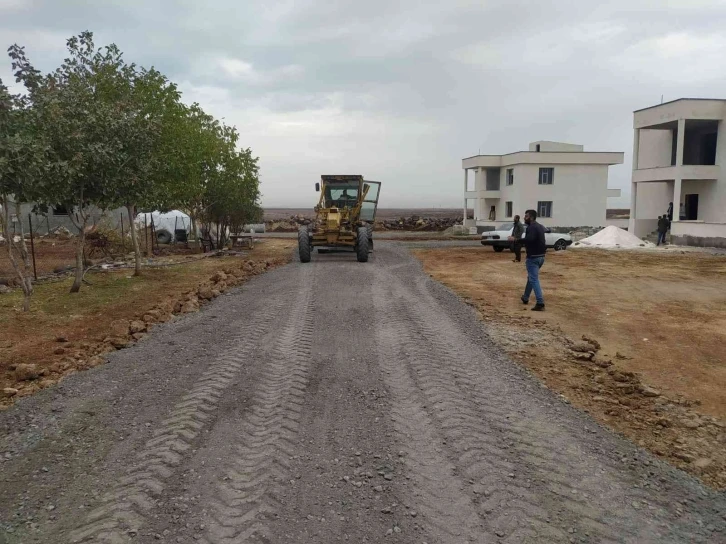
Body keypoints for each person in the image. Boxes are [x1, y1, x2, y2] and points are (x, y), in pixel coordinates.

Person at [520, 209, 546, 311]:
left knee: (533, 279)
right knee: (531, 277)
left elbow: (529, 240)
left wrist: (517, 240)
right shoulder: (539, 226)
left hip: (533, 257)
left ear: (531, 217)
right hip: (541, 257)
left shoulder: (532, 227)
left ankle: (540, 303)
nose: (524, 218)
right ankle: (525, 297)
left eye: (526, 216)